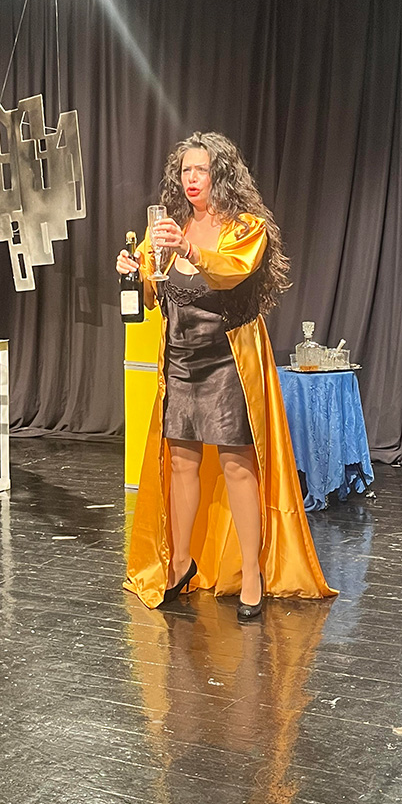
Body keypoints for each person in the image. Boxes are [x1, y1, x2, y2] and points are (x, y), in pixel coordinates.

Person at [117, 132, 336, 620]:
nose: (191, 179)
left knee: (238, 465)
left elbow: (232, 271)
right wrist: (132, 270)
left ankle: (252, 574)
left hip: (228, 359)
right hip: (180, 358)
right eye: (185, 170)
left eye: (202, 169)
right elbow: (150, 295)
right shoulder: (168, 227)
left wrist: (191, 252)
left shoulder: (245, 228)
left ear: (222, 174)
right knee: (181, 463)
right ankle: (180, 564)